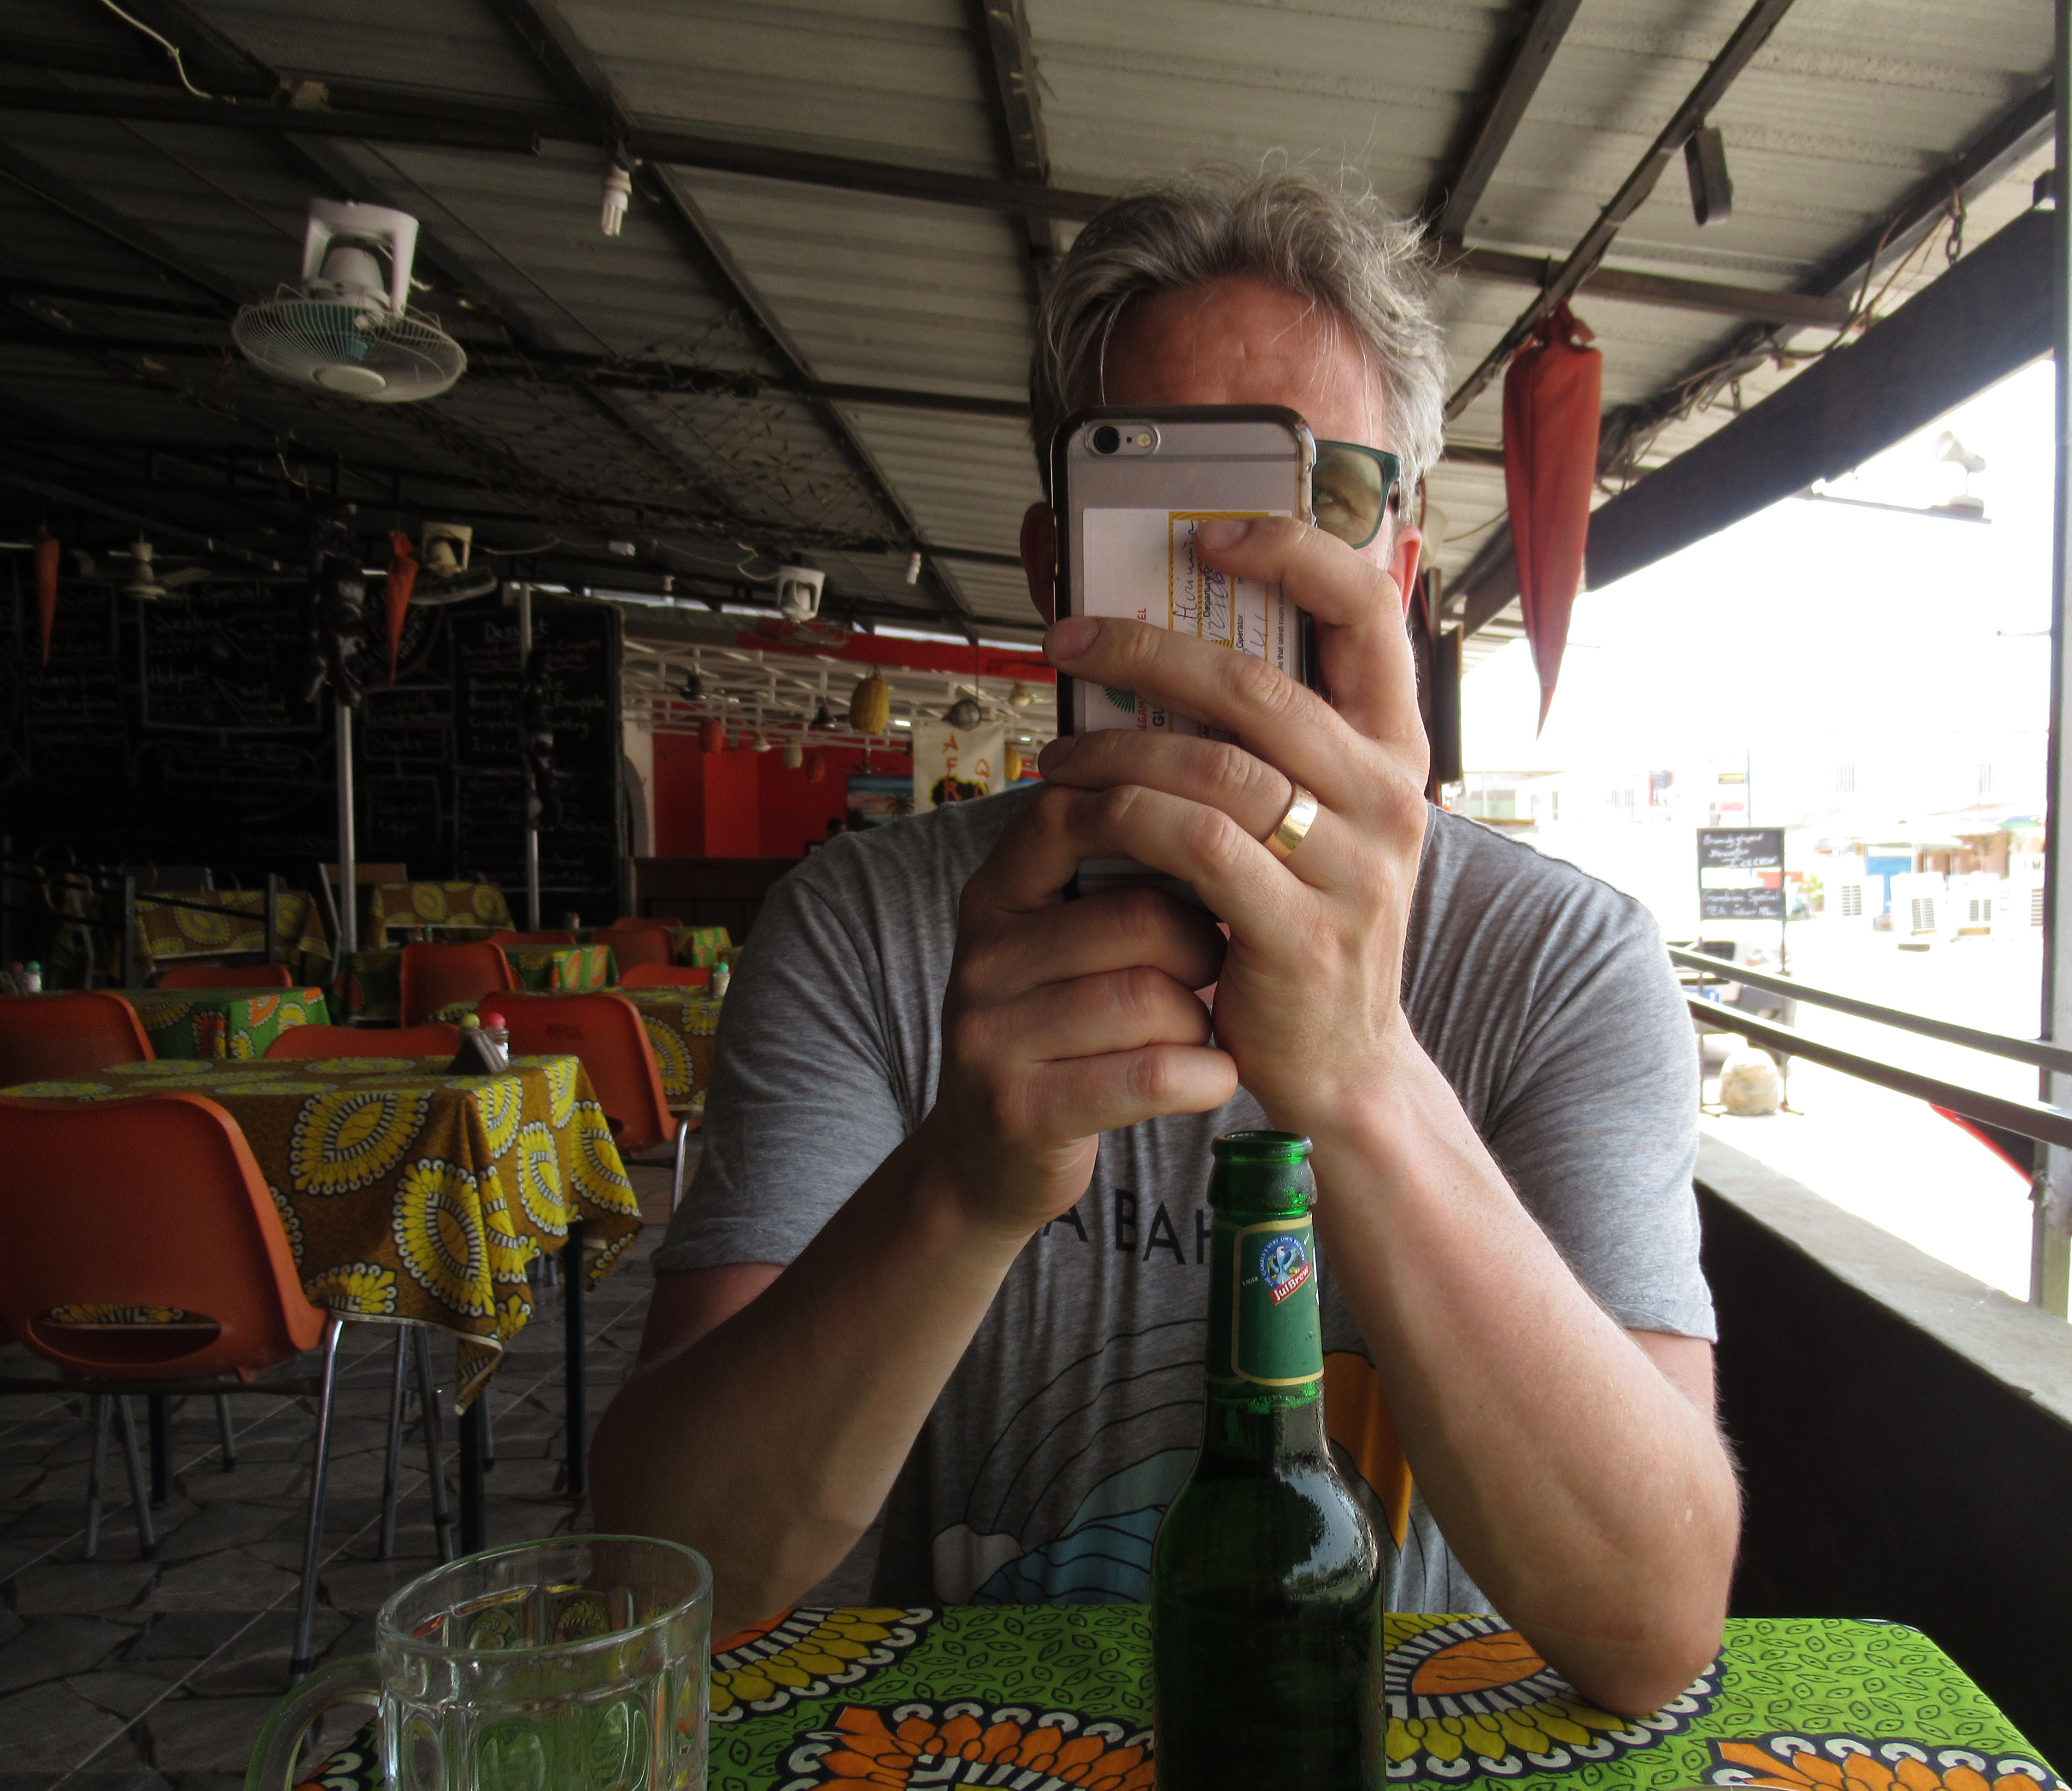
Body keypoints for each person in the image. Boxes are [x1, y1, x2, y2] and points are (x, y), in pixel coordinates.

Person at [591, 166, 1739, 1717]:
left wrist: (1368, 1078)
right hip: (996, 1747)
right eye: (1156, 508)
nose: (1226, 571)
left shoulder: (1563, 960)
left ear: (1395, 578)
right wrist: (963, 1183)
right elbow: (664, 1571)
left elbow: (1651, 1623)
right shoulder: (866, 927)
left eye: (1313, 504)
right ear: (1057, 568)